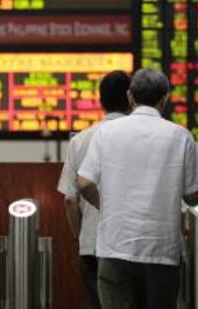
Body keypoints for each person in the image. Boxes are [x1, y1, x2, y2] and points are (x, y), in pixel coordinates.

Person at [77, 68, 198, 309]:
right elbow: (193, 195)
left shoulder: (106, 132)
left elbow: (84, 183)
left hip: (115, 246)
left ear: (130, 97)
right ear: (164, 98)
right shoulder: (180, 136)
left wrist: (105, 206)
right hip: (161, 250)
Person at [57, 70, 131, 309]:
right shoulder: (143, 135)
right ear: (131, 99)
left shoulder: (81, 140)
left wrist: (79, 236)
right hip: (132, 242)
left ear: (101, 102)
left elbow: (70, 199)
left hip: (93, 242)